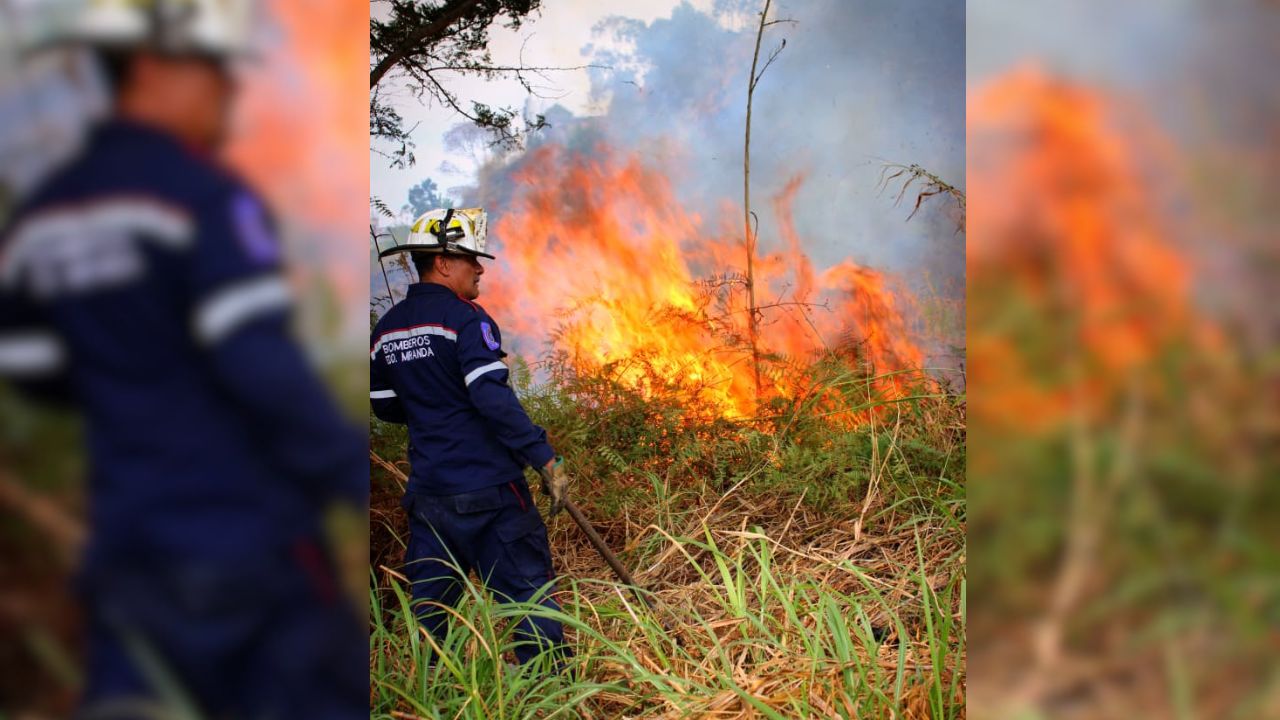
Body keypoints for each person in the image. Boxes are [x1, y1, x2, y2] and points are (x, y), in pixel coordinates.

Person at [0, 2, 366, 717]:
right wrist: (348, 469)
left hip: (129, 545)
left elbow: (26, 358)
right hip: (247, 542)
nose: (227, 92)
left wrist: (133, 391)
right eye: (215, 72)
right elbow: (260, 364)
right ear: (151, 66)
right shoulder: (200, 194)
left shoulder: (45, 212)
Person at [370, 207, 573, 667]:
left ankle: (435, 694)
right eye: (470, 259)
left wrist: (435, 412)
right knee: (528, 593)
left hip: (430, 495)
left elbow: (383, 404)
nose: (480, 268)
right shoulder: (466, 319)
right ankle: (547, 686)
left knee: (431, 611)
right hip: (491, 490)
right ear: (442, 262)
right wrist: (544, 458)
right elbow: (492, 398)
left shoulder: (386, 330)